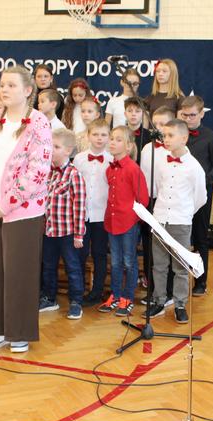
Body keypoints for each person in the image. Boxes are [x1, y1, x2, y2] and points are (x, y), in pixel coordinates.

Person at [0, 65, 51, 353]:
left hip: (22, 212)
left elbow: (37, 171)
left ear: (28, 91)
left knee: (19, 273)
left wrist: (4, 206)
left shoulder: (39, 123)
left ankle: (18, 331)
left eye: (11, 85)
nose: (4, 89)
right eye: (2, 84)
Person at [145, 119, 206, 323]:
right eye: (164, 135)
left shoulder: (194, 167)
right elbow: (157, 187)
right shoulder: (161, 161)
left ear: (184, 138)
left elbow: (200, 197)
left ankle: (180, 304)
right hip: (160, 219)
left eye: (171, 135)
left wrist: (185, 213)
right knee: (159, 265)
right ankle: (159, 301)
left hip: (180, 222)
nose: (166, 139)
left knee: (180, 267)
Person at [98, 126, 149, 317]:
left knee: (129, 262)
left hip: (128, 224)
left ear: (128, 146)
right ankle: (115, 295)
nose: (112, 142)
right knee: (115, 262)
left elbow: (143, 200)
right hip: (112, 222)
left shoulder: (133, 169)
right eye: (111, 138)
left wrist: (132, 219)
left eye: (118, 140)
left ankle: (128, 298)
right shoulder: (109, 169)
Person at [180, 95, 213, 296]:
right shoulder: (177, 135)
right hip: (179, 194)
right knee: (179, 237)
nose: (188, 119)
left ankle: (200, 282)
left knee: (200, 238)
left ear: (201, 114)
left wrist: (203, 180)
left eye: (192, 115)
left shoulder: (211, 136)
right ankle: (176, 284)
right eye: (185, 115)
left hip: (201, 196)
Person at [40, 128, 86, 319]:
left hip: (67, 233)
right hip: (49, 230)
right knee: (48, 265)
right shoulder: (48, 172)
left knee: (72, 267)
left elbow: (80, 206)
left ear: (68, 150)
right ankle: (49, 298)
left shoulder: (74, 175)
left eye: (56, 146)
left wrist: (78, 235)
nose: (51, 149)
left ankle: (76, 301)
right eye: (50, 145)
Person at [139, 106, 176, 307]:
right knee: (149, 247)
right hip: (148, 203)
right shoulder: (147, 149)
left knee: (165, 248)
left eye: (163, 124)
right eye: (155, 123)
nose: (158, 128)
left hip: (166, 205)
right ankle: (153, 289)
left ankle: (168, 291)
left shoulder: (173, 151)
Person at [73, 119, 112, 306]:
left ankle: (97, 292)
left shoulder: (112, 160)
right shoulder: (79, 159)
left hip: (102, 215)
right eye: (95, 134)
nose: (99, 138)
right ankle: (78, 291)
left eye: (103, 135)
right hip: (82, 215)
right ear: (88, 136)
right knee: (80, 255)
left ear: (109, 137)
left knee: (99, 254)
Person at [123, 96, 150, 165]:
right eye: (130, 111)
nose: (133, 114)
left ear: (143, 114)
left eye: (137, 111)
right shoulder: (119, 133)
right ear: (125, 114)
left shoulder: (149, 136)